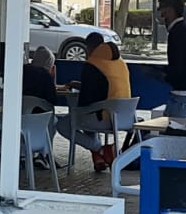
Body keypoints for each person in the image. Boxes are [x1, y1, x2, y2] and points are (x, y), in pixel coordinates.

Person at [58, 36, 131, 168]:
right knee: (88, 114)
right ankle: (99, 158)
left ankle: (101, 150)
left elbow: (87, 99)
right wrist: (80, 85)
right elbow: (103, 87)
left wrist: (76, 106)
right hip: (122, 117)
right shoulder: (120, 63)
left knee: (64, 124)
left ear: (89, 47)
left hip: (105, 118)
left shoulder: (93, 64)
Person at [23, 46, 58, 111]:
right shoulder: (46, 77)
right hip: (41, 117)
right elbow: (53, 101)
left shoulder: (22, 70)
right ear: (48, 63)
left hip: (20, 115)